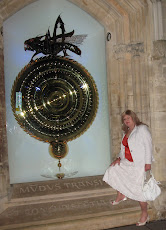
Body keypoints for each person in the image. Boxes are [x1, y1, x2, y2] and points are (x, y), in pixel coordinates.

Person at [103, 110, 154, 226]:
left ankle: (145, 214)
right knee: (112, 170)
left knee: (139, 191)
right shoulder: (126, 131)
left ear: (133, 118)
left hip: (139, 164)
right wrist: (118, 158)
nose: (126, 121)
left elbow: (148, 145)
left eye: (128, 118)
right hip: (127, 162)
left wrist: (148, 163)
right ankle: (121, 195)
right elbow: (123, 149)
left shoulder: (142, 129)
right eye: (124, 119)